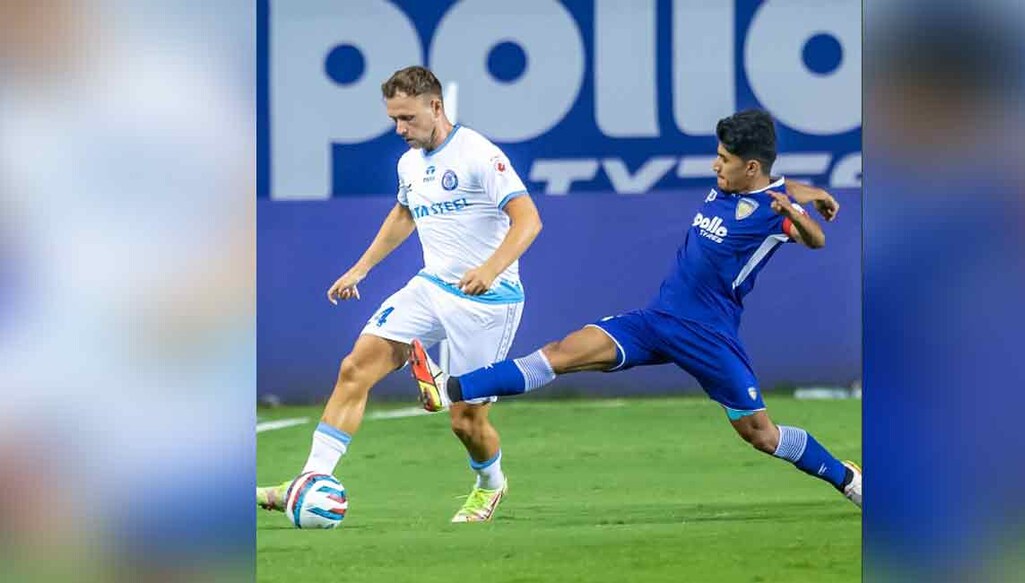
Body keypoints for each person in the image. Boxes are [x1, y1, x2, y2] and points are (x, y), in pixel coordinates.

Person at [410, 108, 861, 510]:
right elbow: (779, 183)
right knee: (561, 352)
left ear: (751, 167)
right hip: (657, 320)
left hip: (709, 336)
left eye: (723, 160)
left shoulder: (772, 213)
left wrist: (799, 210)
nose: (714, 165)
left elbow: (814, 239)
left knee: (762, 435)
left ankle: (848, 479)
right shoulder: (734, 185)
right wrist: (812, 189)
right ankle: (449, 388)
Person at [258, 65, 543, 523]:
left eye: (407, 118)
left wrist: (491, 269)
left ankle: (490, 484)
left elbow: (528, 219)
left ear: (435, 106)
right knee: (355, 368)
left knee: (466, 421)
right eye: (394, 119)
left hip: (488, 301)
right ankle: (311, 479)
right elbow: (403, 215)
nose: (399, 129)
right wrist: (360, 269)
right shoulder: (409, 163)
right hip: (431, 288)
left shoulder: (478, 154)